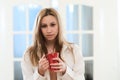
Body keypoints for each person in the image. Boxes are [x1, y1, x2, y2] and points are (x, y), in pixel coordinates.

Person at [21, 8, 85, 80]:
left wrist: (65, 70)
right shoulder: (29, 54)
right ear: (39, 28)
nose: (49, 30)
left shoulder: (74, 50)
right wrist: (39, 72)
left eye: (53, 25)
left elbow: (81, 78)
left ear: (59, 26)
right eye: (44, 26)